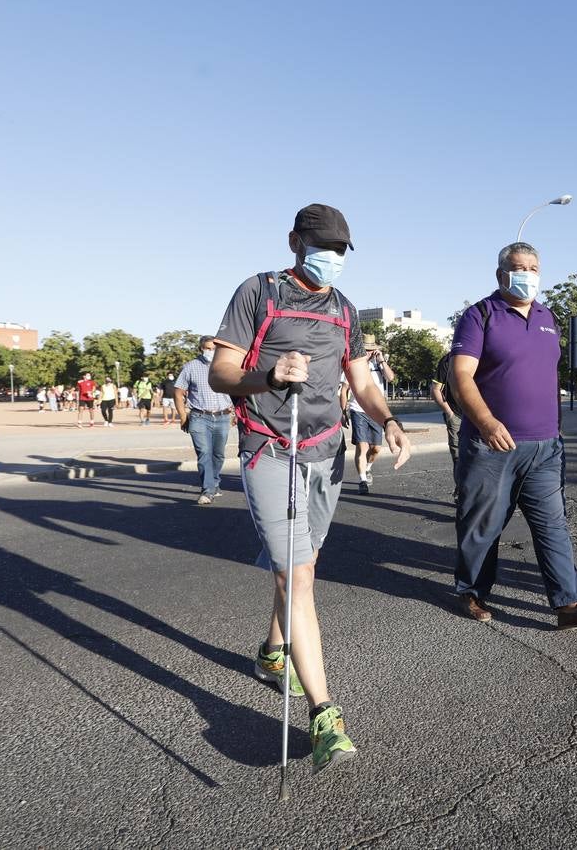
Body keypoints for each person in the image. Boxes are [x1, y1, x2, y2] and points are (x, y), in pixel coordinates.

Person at [208, 202, 411, 775]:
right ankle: (326, 717)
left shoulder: (345, 309)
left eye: (342, 249)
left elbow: (361, 379)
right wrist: (268, 376)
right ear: (294, 240)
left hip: (327, 448)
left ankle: (275, 653)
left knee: (303, 564)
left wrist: (389, 420)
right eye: (323, 246)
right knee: (296, 575)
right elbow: (223, 373)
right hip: (271, 446)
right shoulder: (259, 292)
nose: (333, 258)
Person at [450, 242, 577, 631]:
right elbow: (460, 377)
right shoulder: (480, 315)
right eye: (519, 267)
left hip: (545, 446)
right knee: (483, 524)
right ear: (501, 274)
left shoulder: (547, 316)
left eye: (534, 268)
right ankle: (472, 591)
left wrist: (555, 430)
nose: (528, 275)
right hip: (492, 444)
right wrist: (488, 423)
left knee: (552, 524)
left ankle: (570, 603)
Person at [173, 338, 232, 504]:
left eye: (214, 349)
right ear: (201, 349)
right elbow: (178, 393)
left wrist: (234, 413)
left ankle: (214, 483)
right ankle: (207, 490)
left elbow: (236, 391)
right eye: (207, 348)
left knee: (218, 454)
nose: (210, 352)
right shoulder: (190, 367)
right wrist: (183, 417)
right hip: (199, 417)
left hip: (222, 416)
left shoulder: (226, 367)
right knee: (204, 452)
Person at [346, 335, 395, 494]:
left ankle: (367, 468)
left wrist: (381, 360)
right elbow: (345, 389)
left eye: (371, 350)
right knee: (362, 446)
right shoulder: (355, 363)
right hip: (358, 409)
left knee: (376, 449)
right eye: (365, 350)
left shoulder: (379, 364)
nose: (368, 353)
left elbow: (391, 378)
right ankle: (362, 481)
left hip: (375, 411)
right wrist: (343, 410)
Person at [430, 350, 462, 499]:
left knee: (480, 455)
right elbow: (435, 390)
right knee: (458, 456)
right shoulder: (447, 361)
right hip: (456, 415)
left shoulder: (482, 356)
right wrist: (449, 413)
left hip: (478, 416)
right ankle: (461, 490)